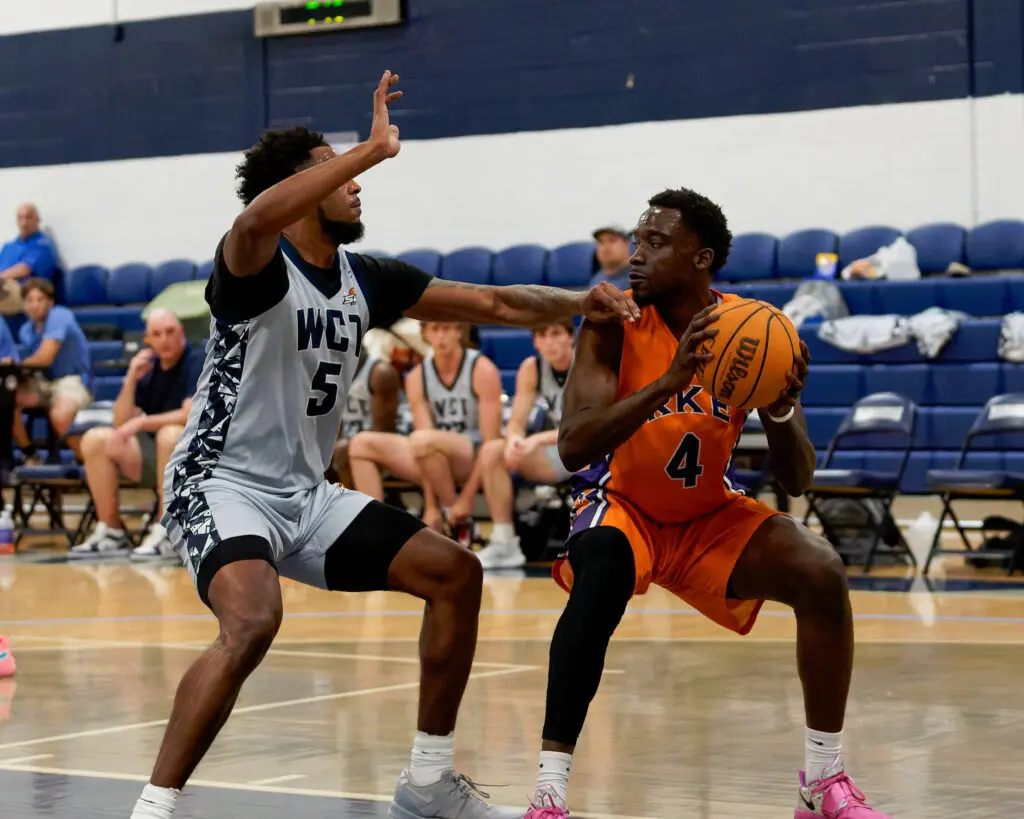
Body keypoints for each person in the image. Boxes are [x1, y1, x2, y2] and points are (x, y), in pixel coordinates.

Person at [131, 70, 637, 819]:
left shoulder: (364, 279)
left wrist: (581, 301)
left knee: (455, 573)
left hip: (305, 494)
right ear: (299, 188)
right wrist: (368, 149)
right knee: (254, 620)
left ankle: (427, 783)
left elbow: (495, 302)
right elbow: (254, 218)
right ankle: (154, 807)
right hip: (219, 482)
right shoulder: (254, 262)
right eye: (335, 170)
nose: (355, 183)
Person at [522, 189, 891, 819]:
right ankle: (549, 793)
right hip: (626, 507)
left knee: (821, 571)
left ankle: (822, 779)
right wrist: (670, 381)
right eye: (637, 240)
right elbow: (575, 445)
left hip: (707, 515)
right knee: (600, 571)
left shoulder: (751, 331)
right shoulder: (612, 320)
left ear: (702, 258)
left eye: (655, 242)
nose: (636, 255)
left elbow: (798, 478)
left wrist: (779, 410)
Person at [72, 309, 202, 561]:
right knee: (95, 439)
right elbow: (120, 422)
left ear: (182, 334)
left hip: (196, 458)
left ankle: (169, 531)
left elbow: (189, 415)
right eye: (157, 334)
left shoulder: (197, 359)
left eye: (170, 332)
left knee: (170, 434)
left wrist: (142, 422)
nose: (164, 339)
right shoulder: (149, 367)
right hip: (157, 457)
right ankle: (112, 532)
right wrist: (131, 378)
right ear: (147, 340)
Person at [473, 321, 575, 569]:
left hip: (592, 452)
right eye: (542, 335)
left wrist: (537, 439)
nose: (549, 342)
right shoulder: (532, 367)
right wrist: (514, 441)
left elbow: (588, 427)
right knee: (492, 451)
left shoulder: (587, 363)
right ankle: (505, 542)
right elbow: (517, 421)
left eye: (556, 333)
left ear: (571, 337)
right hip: (558, 452)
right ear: (535, 343)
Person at [407, 322, 502, 539]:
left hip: (472, 455)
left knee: (421, 440)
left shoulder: (482, 368)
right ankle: (372, 536)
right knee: (362, 445)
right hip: (433, 455)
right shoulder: (416, 376)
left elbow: (490, 441)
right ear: (425, 333)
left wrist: (466, 499)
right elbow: (424, 449)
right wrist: (430, 506)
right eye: (435, 329)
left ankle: (454, 511)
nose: (441, 336)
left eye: (447, 328)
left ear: (459, 331)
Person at [344, 351, 440, 520]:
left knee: (351, 448)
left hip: (393, 442)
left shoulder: (380, 373)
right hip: (356, 443)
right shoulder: (327, 370)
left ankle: (356, 518)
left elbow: (383, 429)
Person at [14, 278, 92, 457]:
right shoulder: (25, 330)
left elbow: (45, 357)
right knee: (6, 397)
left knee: (60, 413)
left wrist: (16, 365)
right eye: (30, 300)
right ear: (24, 304)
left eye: (40, 299)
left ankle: (88, 461)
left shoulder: (60, 315)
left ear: (50, 302)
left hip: (73, 379)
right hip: (44, 381)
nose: (35, 305)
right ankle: (30, 454)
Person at [332, 349, 400, 487]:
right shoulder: (329, 370)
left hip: (380, 445)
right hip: (347, 444)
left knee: (347, 452)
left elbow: (383, 432)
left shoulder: (380, 373)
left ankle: (352, 497)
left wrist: (347, 447)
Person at [0, 204, 59, 315]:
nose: (24, 222)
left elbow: (24, 270)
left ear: (37, 220)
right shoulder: (8, 247)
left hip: (27, 293)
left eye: (28, 217)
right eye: (20, 218)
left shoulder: (42, 244)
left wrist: (1, 278)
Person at [587, 224, 631, 291]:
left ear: (626, 244)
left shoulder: (640, 278)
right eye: (601, 241)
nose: (606, 247)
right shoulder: (596, 279)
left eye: (612, 240)